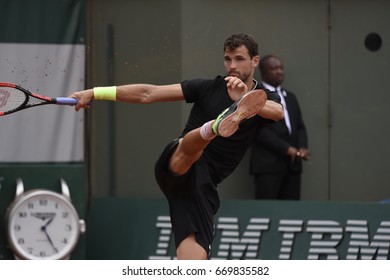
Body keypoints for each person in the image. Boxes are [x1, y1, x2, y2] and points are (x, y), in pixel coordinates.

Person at [70, 34, 283, 260]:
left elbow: (277, 112)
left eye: (239, 59)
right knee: (192, 150)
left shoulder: (266, 97)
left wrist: (245, 100)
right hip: (176, 160)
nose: (232, 66)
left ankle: (213, 127)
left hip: (199, 186)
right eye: (227, 59)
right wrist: (94, 92)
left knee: (195, 259)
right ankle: (212, 127)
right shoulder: (206, 87)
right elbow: (148, 93)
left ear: (255, 61)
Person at [250, 54, 310, 200]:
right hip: (268, 166)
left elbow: (300, 126)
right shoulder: (256, 95)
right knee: (266, 213)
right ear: (264, 72)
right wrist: (287, 149)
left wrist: (302, 147)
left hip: (293, 166)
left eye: (281, 68)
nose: (279, 71)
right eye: (274, 68)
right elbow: (260, 132)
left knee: (291, 214)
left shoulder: (290, 97)